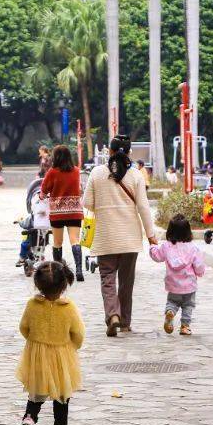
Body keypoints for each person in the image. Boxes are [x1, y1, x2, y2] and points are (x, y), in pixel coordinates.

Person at [82, 134, 156, 337]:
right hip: (130, 238)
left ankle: (112, 315)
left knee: (107, 278)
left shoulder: (97, 173)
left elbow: (87, 203)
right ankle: (124, 322)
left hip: (106, 236)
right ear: (129, 153)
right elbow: (143, 207)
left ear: (110, 151)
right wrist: (151, 235)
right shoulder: (136, 176)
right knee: (126, 281)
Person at [16, 261, 84, 425]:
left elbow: (24, 327)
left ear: (38, 284)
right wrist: (73, 347)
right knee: (62, 393)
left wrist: (34, 340)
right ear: (64, 285)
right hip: (62, 356)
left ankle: (29, 420)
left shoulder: (32, 305)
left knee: (36, 392)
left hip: (37, 355)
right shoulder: (68, 308)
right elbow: (78, 333)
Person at [149, 214, 205, 336]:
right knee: (188, 305)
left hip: (173, 284)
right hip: (189, 285)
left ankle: (170, 312)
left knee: (172, 302)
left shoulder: (166, 246)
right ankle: (185, 326)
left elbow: (157, 256)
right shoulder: (193, 248)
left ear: (170, 231)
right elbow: (199, 265)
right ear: (188, 232)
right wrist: (200, 273)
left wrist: (153, 246)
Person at [41, 144, 85, 281]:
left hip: (58, 213)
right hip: (74, 212)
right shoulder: (76, 171)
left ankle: (59, 272)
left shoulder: (52, 172)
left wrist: (43, 195)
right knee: (75, 241)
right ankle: (79, 270)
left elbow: (44, 190)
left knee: (58, 242)